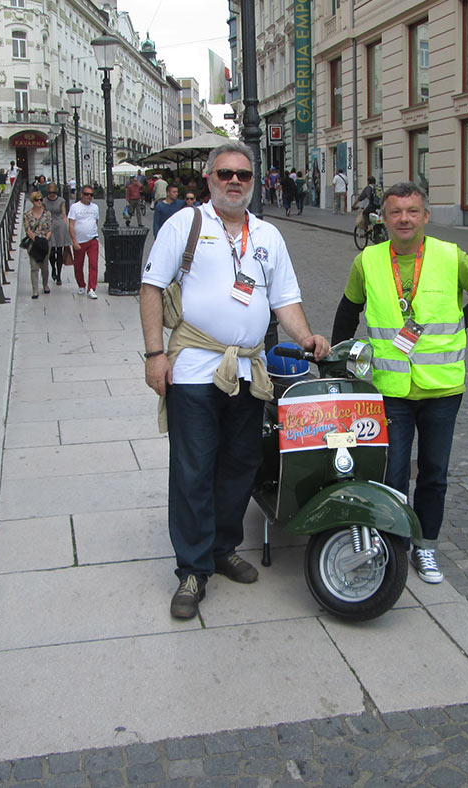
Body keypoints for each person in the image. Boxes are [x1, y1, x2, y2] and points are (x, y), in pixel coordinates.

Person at [139, 140, 331, 619]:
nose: (234, 182)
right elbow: (151, 288)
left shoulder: (267, 235)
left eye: (243, 175)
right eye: (225, 173)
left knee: (241, 466)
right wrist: (154, 355)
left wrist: (307, 337)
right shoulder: (186, 224)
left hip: (248, 371)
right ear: (209, 178)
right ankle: (192, 569)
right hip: (193, 371)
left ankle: (222, 548)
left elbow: (284, 298)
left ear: (252, 181)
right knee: (193, 470)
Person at [333, 181, 468, 584]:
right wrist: (338, 363)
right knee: (392, 474)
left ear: (425, 216)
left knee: (433, 473)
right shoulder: (368, 261)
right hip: (391, 390)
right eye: (395, 212)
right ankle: (394, 548)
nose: (404, 219)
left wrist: (461, 324)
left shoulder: (449, 255)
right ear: (384, 218)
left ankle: (425, 546)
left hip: (442, 388)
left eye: (412, 211)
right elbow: (347, 312)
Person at [68, 185, 101, 299]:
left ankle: (91, 288)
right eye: (86, 194)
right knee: (78, 265)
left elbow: (96, 221)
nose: (89, 196)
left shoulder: (95, 207)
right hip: (79, 241)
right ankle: (81, 284)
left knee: (93, 264)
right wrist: (74, 241)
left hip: (92, 239)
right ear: (81, 194)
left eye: (91, 195)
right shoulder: (75, 207)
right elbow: (71, 224)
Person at [23, 191, 52, 299]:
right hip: (33, 242)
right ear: (32, 201)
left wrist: (45, 240)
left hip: (45, 242)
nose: (39, 202)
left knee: (44, 266)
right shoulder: (28, 214)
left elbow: (50, 228)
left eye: (40, 200)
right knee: (34, 266)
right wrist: (36, 240)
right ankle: (35, 290)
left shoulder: (47, 213)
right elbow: (27, 229)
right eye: (36, 200)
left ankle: (45, 284)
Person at [43, 183, 70, 286]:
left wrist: (66, 225)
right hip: (49, 225)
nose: (52, 194)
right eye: (50, 192)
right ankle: (53, 268)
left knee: (59, 251)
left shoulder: (61, 201)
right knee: (51, 251)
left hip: (59, 225)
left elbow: (64, 214)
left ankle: (59, 274)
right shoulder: (44, 201)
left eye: (54, 192)